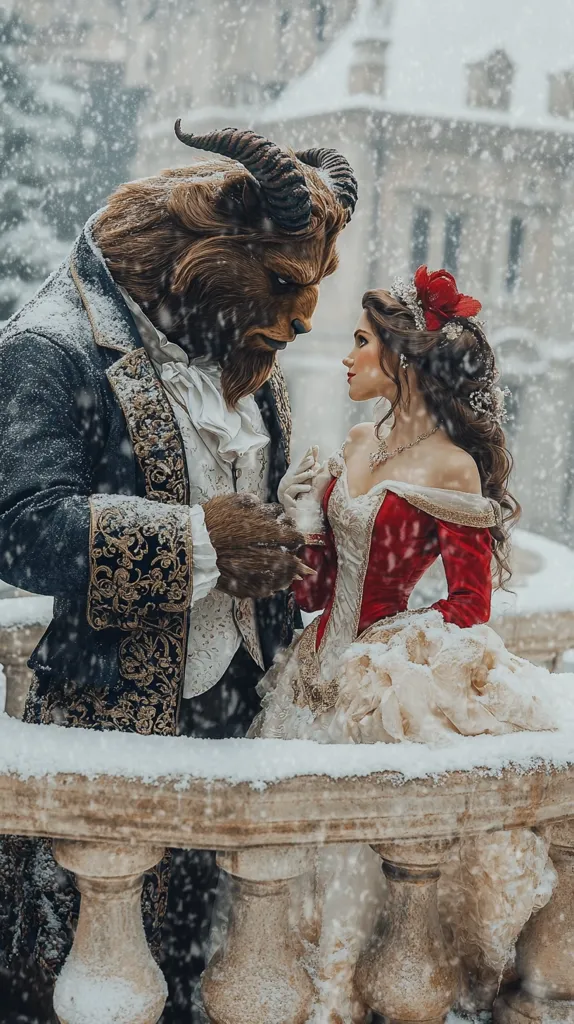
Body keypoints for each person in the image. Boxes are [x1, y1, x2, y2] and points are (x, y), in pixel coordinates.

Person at [0, 125, 357, 1022]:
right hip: (115, 710)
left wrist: (287, 527)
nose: (305, 316)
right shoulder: (49, 348)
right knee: (98, 970)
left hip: (242, 713)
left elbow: (250, 492)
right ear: (213, 251)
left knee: (220, 961)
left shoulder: (237, 338)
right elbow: (20, 527)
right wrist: (197, 541)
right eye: (284, 285)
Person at [205, 266, 574, 1020]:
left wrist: (394, 659)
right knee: (282, 876)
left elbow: (469, 609)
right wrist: (303, 523)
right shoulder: (356, 442)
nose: (347, 357)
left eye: (363, 343)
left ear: (401, 360)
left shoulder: (451, 465)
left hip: (374, 693)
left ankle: (338, 1001)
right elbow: (313, 593)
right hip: (306, 680)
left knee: (351, 880)